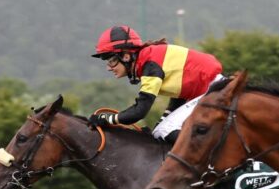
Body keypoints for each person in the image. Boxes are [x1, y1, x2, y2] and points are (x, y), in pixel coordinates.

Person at [89, 25, 224, 144]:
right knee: (160, 131)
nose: (109, 67)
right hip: (212, 87)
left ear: (126, 56)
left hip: (213, 89)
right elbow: (179, 96)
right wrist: (160, 123)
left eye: (111, 60)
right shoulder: (148, 59)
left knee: (165, 130)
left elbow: (138, 112)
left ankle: (215, 156)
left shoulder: (150, 65)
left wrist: (106, 118)